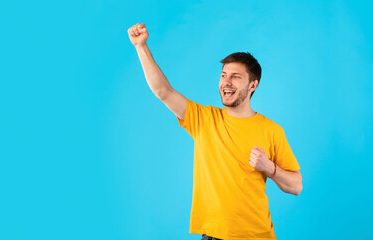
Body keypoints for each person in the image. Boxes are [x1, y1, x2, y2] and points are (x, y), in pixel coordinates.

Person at [128, 23, 303, 240]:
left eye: (236, 77)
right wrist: (141, 46)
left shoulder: (271, 130)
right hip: (213, 236)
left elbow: (296, 186)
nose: (226, 82)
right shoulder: (203, 119)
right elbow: (162, 91)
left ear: (253, 85)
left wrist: (269, 167)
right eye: (223, 75)